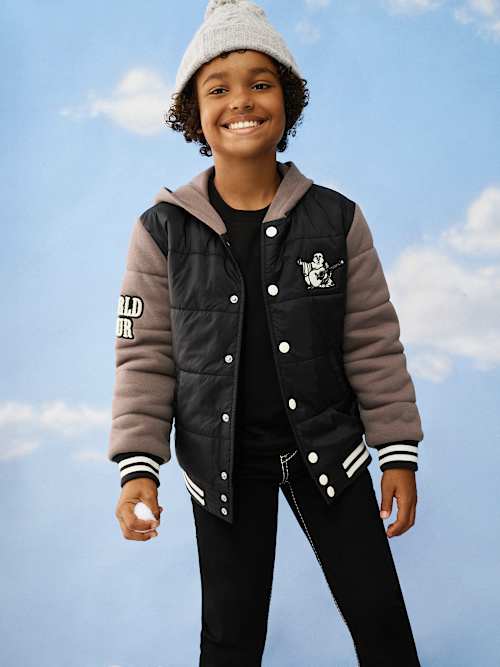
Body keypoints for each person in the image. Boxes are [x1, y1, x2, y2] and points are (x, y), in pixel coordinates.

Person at [107, 1, 424, 665]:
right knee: (230, 638)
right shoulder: (160, 231)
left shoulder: (337, 219)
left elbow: (372, 341)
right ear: (193, 113)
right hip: (221, 465)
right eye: (217, 88)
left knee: (382, 624)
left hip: (330, 452)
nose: (241, 101)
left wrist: (396, 451)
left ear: (288, 99)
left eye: (260, 82)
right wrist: (139, 469)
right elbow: (144, 357)